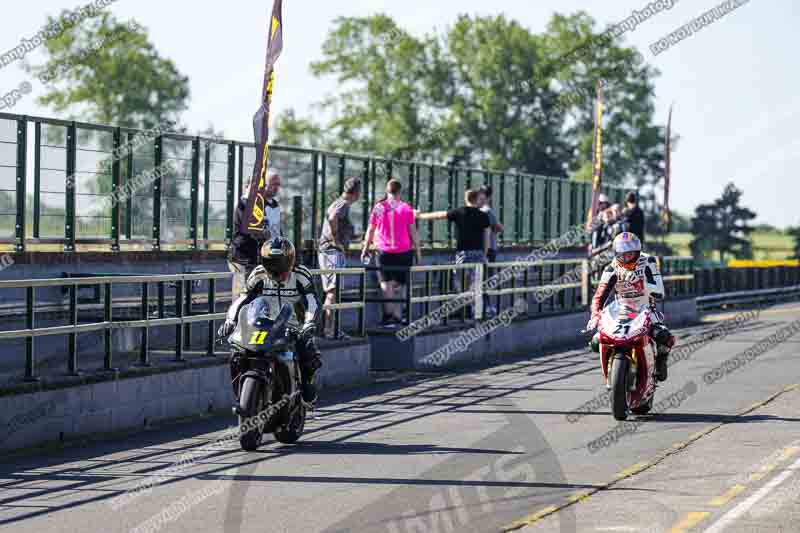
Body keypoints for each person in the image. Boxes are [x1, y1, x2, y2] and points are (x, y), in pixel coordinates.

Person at [218, 237, 323, 403]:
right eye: (271, 264)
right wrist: (230, 320)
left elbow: (312, 301)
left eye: (280, 265)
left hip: (293, 327)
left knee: (307, 352)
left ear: (290, 261)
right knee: (237, 353)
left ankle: (307, 385)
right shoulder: (259, 273)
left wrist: (309, 322)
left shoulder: (301, 274)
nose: (276, 271)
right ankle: (244, 394)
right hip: (263, 326)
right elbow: (242, 299)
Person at [586, 232, 675, 382]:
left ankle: (661, 361)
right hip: (621, 310)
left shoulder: (648, 262)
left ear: (638, 252)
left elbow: (659, 292)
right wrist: (595, 315)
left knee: (664, 337)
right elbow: (599, 296)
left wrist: (640, 283)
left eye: (631, 254)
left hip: (646, 307)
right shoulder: (611, 268)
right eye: (623, 255)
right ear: (616, 254)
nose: (627, 258)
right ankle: (611, 369)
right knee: (595, 342)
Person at [416, 189, 491, 317]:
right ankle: (476, 312)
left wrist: (420, 216)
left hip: (463, 253)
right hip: (478, 253)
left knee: (459, 283)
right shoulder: (484, 216)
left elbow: (439, 215)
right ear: (476, 199)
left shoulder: (459, 212)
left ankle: (464, 308)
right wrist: (484, 254)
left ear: (466, 199)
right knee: (476, 283)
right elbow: (487, 239)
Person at [361, 179, 421, 327]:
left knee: (385, 283)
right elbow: (413, 232)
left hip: (384, 251)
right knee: (402, 284)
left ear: (387, 191)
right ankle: (401, 315)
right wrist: (418, 252)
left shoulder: (379, 207)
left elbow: (370, 230)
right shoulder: (406, 208)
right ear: (400, 192)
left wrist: (365, 249)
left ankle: (390, 317)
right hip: (404, 251)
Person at [318, 177, 361, 339]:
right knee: (332, 292)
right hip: (331, 251)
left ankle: (332, 329)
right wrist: (336, 240)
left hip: (332, 251)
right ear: (356, 193)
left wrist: (353, 237)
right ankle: (330, 331)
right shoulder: (342, 204)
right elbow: (332, 217)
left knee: (333, 292)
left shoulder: (341, 203)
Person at [228, 170, 283, 295]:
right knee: (242, 293)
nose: (276, 188)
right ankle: (237, 314)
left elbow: (277, 229)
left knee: (259, 293)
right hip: (243, 256)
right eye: (273, 184)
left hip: (262, 256)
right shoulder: (246, 203)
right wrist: (266, 235)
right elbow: (251, 230)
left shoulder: (274, 205)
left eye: (278, 185)